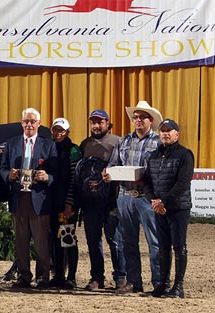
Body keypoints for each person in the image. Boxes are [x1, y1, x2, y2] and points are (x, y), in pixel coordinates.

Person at [104, 100, 162, 294]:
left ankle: (158, 282)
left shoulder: (158, 142)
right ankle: (133, 281)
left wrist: (146, 178)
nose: (137, 120)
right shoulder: (124, 141)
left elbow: (162, 170)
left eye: (142, 117)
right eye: (135, 117)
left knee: (154, 240)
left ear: (150, 120)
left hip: (147, 197)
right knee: (128, 241)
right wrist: (108, 174)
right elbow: (113, 164)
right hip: (125, 196)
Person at [0, 108, 58, 289]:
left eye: (33, 121)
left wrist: (46, 177)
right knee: (21, 241)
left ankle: (42, 277)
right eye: (26, 121)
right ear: (21, 123)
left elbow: (57, 173)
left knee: (41, 241)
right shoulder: (12, 144)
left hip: (39, 199)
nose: (29, 125)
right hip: (19, 198)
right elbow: (2, 168)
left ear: (39, 124)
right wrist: (9, 175)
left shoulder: (49, 145)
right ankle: (23, 277)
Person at [144, 119, 194, 298]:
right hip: (159, 208)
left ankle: (178, 287)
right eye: (162, 131)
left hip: (178, 208)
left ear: (176, 135)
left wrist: (162, 201)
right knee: (163, 247)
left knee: (179, 246)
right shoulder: (154, 155)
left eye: (169, 131)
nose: (165, 134)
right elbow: (147, 182)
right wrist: (153, 200)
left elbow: (183, 183)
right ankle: (163, 285)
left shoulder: (184, 155)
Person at [77, 109, 126, 291]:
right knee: (92, 240)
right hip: (90, 202)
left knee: (115, 240)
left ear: (107, 123)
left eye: (100, 122)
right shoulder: (85, 144)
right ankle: (97, 277)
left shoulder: (118, 142)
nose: (96, 126)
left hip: (111, 200)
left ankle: (120, 277)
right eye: (93, 122)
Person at [48, 118, 81, 289]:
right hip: (53, 202)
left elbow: (73, 181)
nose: (58, 133)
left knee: (68, 239)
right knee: (55, 239)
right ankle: (59, 275)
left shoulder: (73, 151)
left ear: (67, 132)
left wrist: (69, 204)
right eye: (55, 130)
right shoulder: (49, 147)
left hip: (67, 204)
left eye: (61, 130)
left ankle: (72, 276)